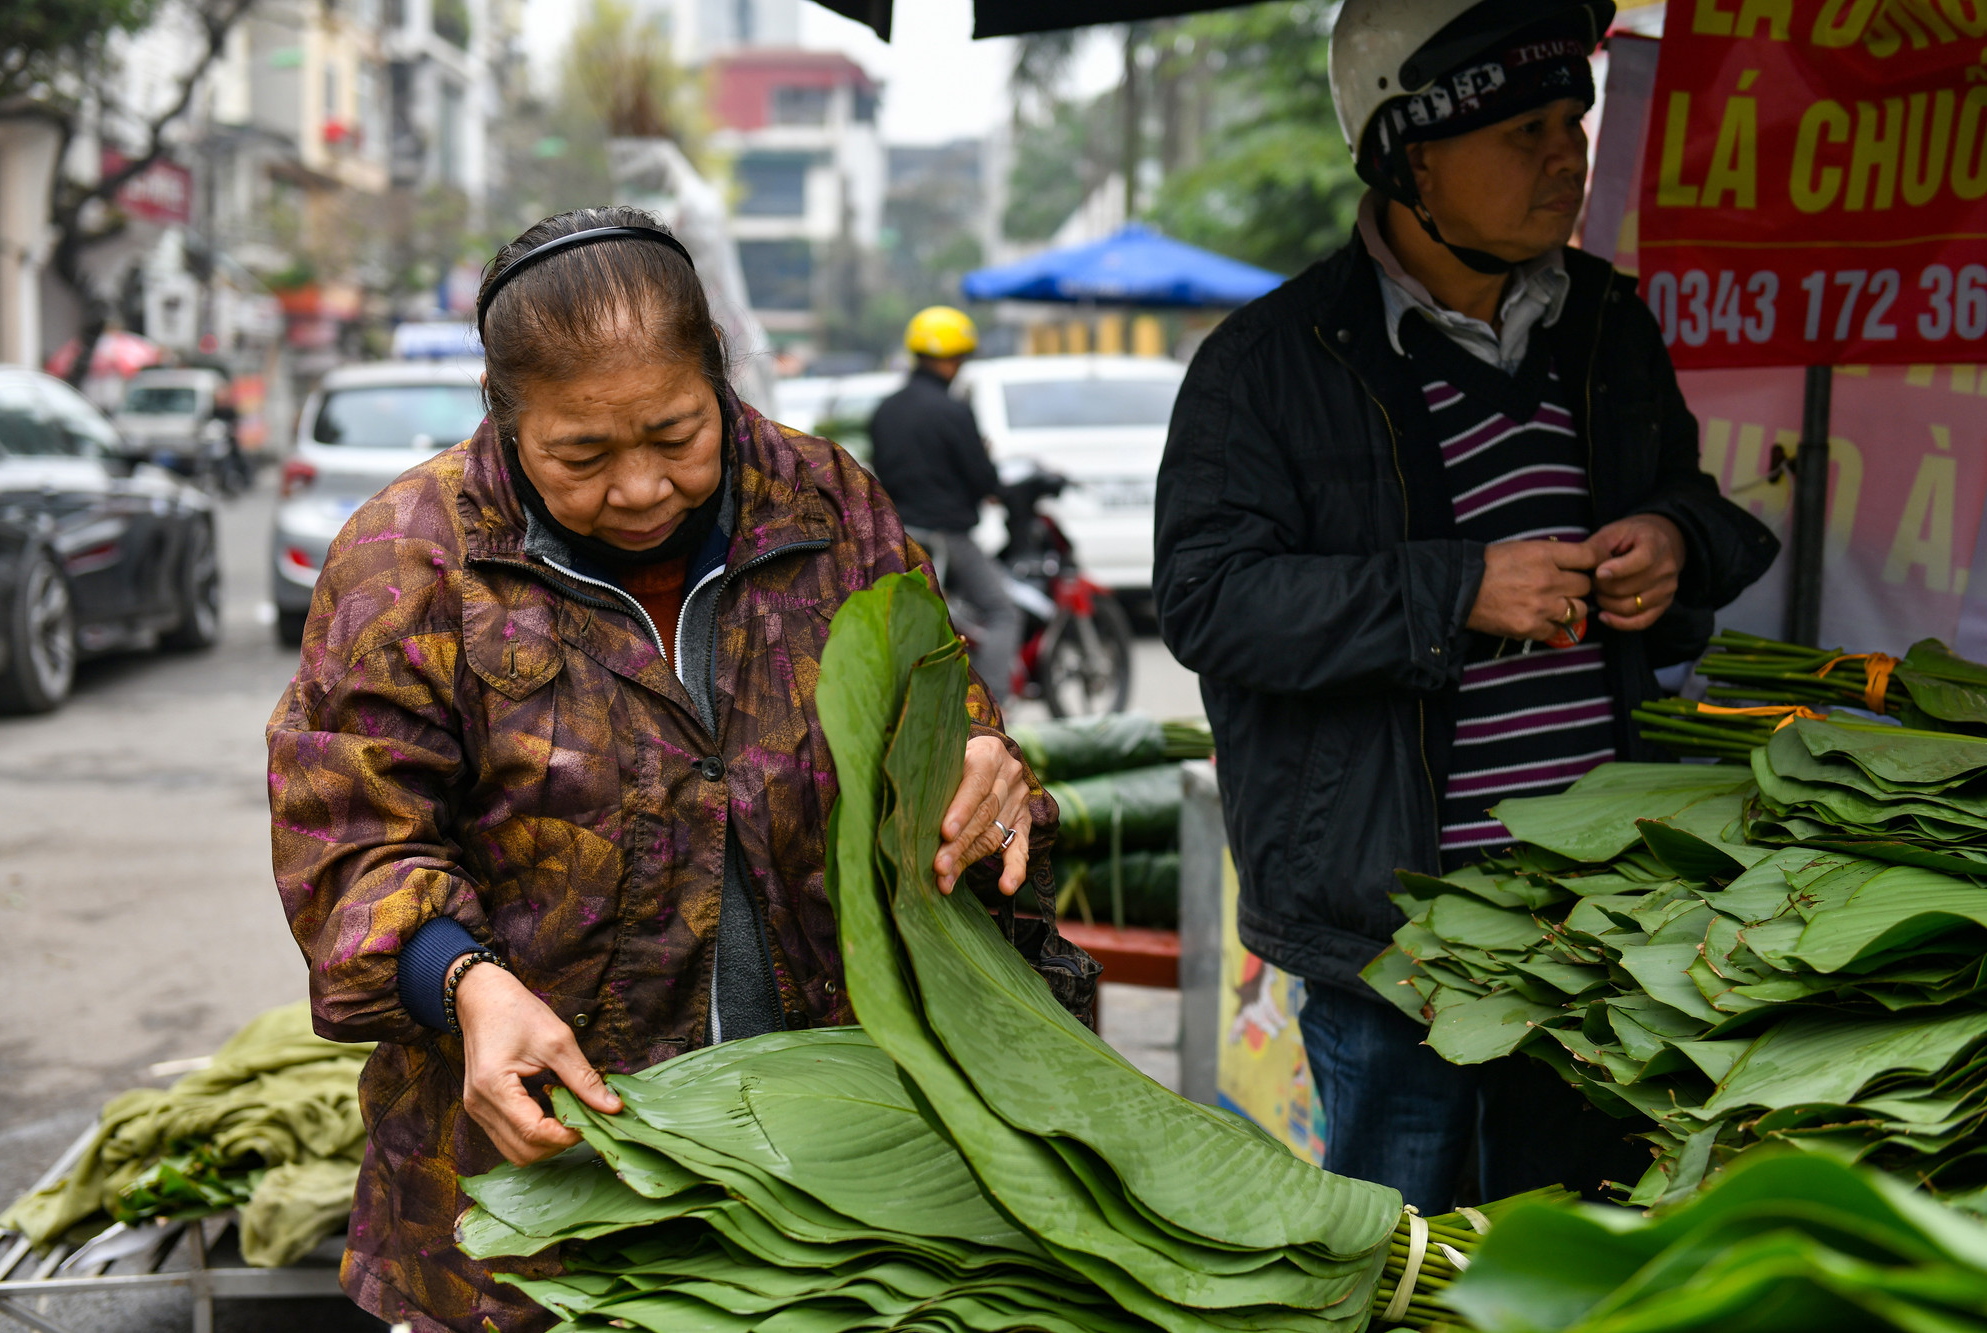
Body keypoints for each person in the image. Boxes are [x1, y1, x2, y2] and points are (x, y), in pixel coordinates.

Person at [267, 208, 1070, 1333]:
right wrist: (464, 983)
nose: (642, 487)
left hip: (831, 1166)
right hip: (540, 1184)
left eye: (677, 434)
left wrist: (983, 766)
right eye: (582, 455)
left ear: (720, 377)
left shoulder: (828, 504)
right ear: (502, 418)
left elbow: (943, 707)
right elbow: (351, 837)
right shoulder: (409, 560)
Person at [1153, 0, 1778, 1214]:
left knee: (1569, 1242)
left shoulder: (1607, 323)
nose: (1565, 156)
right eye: (1521, 131)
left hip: (1597, 917)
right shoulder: (1266, 365)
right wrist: (1458, 586)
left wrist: (1672, 542)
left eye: (1570, 121)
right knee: (1402, 1247)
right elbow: (1212, 603)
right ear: (1408, 155)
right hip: (1395, 939)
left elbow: (1688, 502)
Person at [869, 305, 1019, 697]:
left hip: (899, 541)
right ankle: (994, 710)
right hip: (947, 537)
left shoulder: (885, 410)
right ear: (954, 360)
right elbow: (982, 478)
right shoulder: (953, 411)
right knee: (1002, 612)